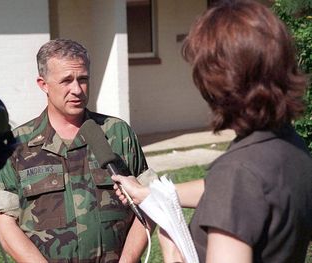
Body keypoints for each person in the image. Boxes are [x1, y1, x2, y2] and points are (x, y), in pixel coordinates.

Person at [112, 1, 312, 262]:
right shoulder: (290, 146)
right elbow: (238, 192)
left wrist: (173, 255)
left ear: (217, 80)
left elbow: (237, 186)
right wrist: (152, 194)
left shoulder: (237, 172)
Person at [0, 39, 152, 262]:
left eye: (83, 79)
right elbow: (5, 222)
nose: (77, 89)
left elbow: (151, 203)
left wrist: (128, 260)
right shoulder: (16, 145)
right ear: (43, 84)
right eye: (66, 80)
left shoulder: (117, 133)